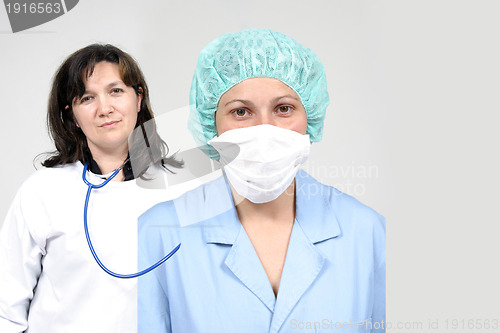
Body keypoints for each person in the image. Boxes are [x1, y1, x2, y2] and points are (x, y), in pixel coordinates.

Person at [137, 29, 386, 333]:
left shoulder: (368, 232)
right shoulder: (158, 234)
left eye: (284, 108)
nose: (265, 130)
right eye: (241, 112)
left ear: (310, 116)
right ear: (211, 124)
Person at [0, 44, 188, 332]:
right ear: (72, 114)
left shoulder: (180, 187)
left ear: (138, 99)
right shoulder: (42, 191)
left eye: (116, 91)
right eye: (87, 98)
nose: (104, 108)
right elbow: (6, 308)